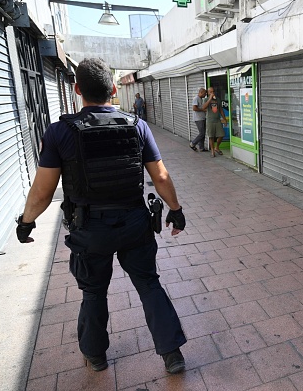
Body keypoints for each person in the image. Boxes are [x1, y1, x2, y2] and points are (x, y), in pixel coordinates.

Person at [14, 58, 188, 374]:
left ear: (78, 89)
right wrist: (176, 212)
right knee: (149, 284)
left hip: (89, 229)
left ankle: (95, 356)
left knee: (93, 292)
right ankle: (172, 353)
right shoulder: (137, 126)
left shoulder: (58, 132)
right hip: (135, 223)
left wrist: (26, 221)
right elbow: (160, 177)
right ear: (112, 89)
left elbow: (42, 192)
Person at [205, 87, 227, 158]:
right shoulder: (206, 99)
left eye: (213, 91)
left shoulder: (217, 99)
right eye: (211, 92)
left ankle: (217, 147)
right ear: (208, 93)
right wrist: (210, 99)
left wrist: (224, 119)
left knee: (221, 134)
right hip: (210, 120)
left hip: (217, 120)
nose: (212, 93)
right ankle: (212, 151)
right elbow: (204, 107)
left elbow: (220, 109)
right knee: (211, 136)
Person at [189, 87, 209, 152]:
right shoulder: (196, 98)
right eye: (204, 93)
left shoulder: (201, 99)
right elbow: (194, 108)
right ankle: (193, 143)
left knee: (202, 133)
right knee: (202, 133)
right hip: (198, 119)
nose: (205, 95)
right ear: (200, 92)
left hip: (202, 118)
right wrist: (202, 110)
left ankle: (201, 147)